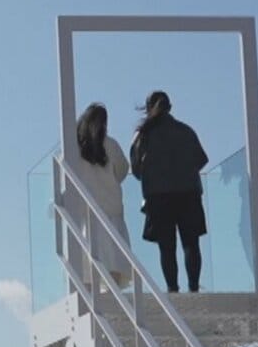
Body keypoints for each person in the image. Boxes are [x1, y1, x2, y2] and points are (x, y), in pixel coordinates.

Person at [130, 91, 209, 293]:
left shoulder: (143, 135)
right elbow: (200, 160)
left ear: (148, 109)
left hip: (158, 197)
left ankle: (172, 289)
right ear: (170, 108)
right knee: (191, 244)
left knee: (167, 247)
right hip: (188, 193)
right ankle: (193, 288)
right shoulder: (186, 131)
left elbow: (136, 170)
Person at [67, 103, 131, 288]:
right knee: (115, 260)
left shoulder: (74, 148)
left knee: (87, 261)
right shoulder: (111, 145)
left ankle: (89, 298)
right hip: (111, 208)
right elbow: (123, 170)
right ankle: (114, 297)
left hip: (86, 210)